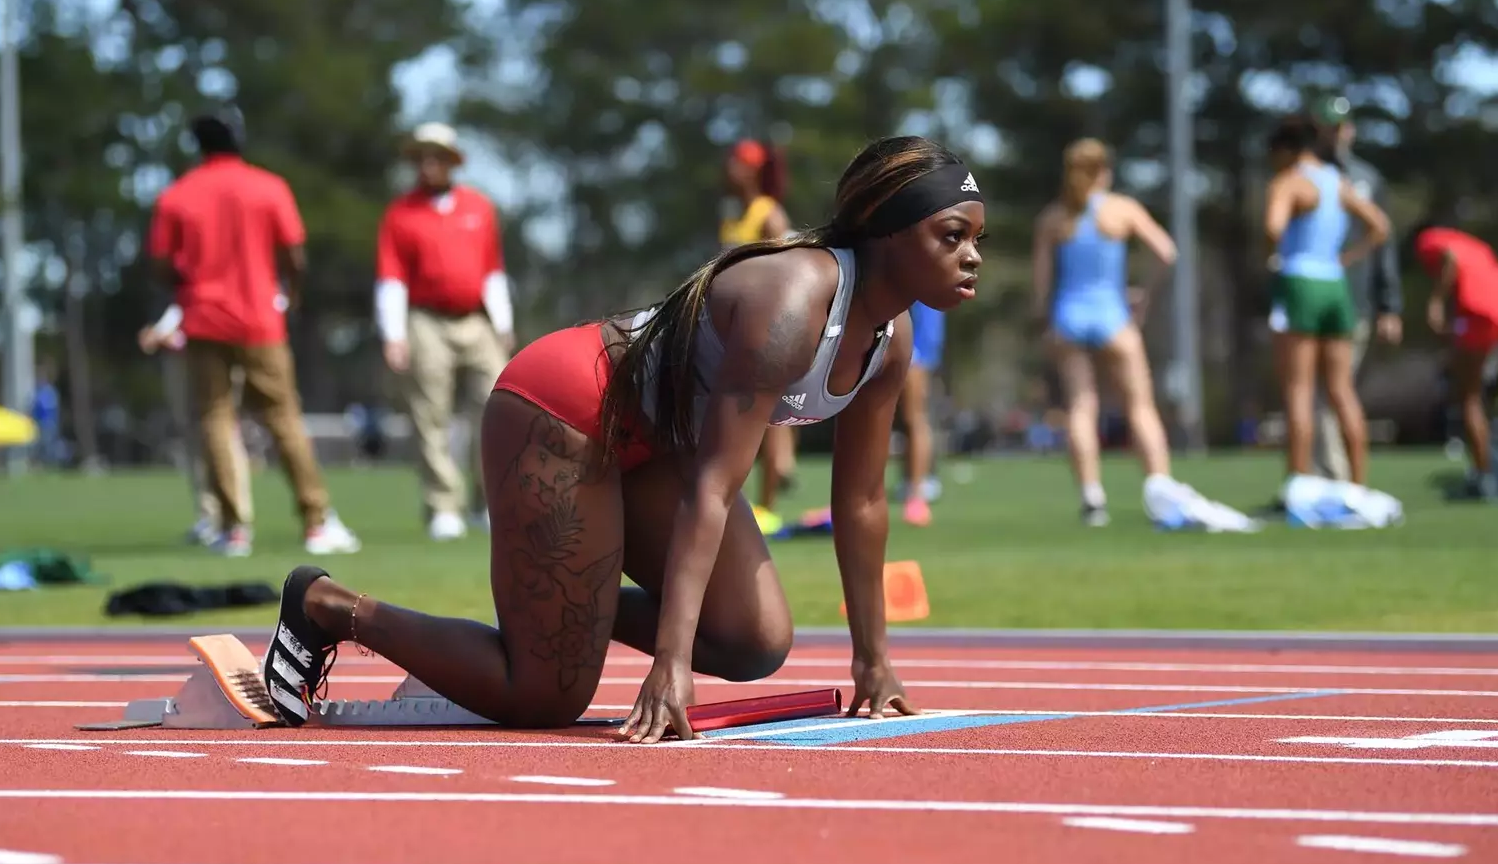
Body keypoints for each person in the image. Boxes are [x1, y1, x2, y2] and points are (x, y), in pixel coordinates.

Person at [259, 135, 983, 742]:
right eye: (951, 236)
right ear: (884, 232)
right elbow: (714, 485)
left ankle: (559, 610)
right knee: (544, 698)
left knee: (753, 641)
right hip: (563, 411)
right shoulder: (792, 302)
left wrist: (874, 660)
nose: (971, 256)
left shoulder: (892, 341)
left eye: (977, 238)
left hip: (657, 449)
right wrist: (668, 663)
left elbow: (860, 504)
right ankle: (328, 604)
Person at [145, 105, 359, 556]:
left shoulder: (177, 195)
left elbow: (161, 263)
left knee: (216, 420)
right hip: (261, 319)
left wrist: (187, 288)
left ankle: (234, 529)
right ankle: (316, 522)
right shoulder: (269, 187)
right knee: (283, 418)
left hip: (204, 320)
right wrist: (291, 294)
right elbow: (295, 255)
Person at [1031, 138, 1186, 527]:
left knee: (1082, 407)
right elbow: (1167, 252)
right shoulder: (1122, 209)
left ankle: (1092, 499)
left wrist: (1044, 323)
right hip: (1113, 316)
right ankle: (1160, 489)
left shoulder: (1054, 218)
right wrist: (1143, 297)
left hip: (1069, 315)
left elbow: (1041, 284)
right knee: (1140, 407)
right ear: (1105, 171)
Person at [375, 122, 514, 541]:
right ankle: (443, 506)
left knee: (495, 408)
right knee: (429, 414)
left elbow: (492, 270)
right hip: (425, 321)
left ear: (453, 162)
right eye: (422, 157)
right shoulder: (400, 214)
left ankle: (486, 502)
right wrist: (393, 334)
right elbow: (392, 279)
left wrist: (504, 324)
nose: (429, 164)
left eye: (437, 156)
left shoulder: (479, 208)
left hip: (476, 320)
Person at [1263, 113, 1390, 491]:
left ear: (1285, 150)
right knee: (1341, 390)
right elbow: (1380, 226)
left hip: (1300, 281)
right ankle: (1358, 486)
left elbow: (1273, 226)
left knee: (1299, 390)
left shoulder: (1289, 182)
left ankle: (1298, 485)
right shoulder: (1337, 182)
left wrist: (1274, 251)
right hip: (1335, 286)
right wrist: (1346, 258)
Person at [1310, 97, 1403, 480]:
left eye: (1340, 125)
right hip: (1312, 298)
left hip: (1354, 300)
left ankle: (1338, 482)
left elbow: (1383, 242)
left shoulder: (1367, 180)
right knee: (1319, 393)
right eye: (1328, 126)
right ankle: (1328, 479)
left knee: (1334, 391)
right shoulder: (1308, 175)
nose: (1335, 133)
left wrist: (1389, 305)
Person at [718, 138, 798, 534]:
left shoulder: (770, 216)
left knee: (766, 419)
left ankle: (767, 507)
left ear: (751, 169)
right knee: (733, 418)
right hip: (729, 332)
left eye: (736, 163)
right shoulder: (733, 216)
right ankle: (739, 503)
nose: (728, 169)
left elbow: (787, 276)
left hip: (766, 331)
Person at [138, 303, 254, 548]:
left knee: (223, 434)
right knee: (195, 438)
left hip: (215, 352)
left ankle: (235, 519)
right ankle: (209, 515)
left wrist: (177, 338)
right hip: (184, 358)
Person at [1413, 224, 1498, 500]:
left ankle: (1485, 476)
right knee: (1478, 397)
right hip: (1495, 312)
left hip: (1478, 316)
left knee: (1468, 397)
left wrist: (1436, 302)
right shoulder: (1476, 246)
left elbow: (1449, 258)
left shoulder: (1429, 240)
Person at [895, 300, 945, 525]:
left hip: (916, 331)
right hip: (906, 323)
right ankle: (910, 485)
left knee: (913, 416)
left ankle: (916, 495)